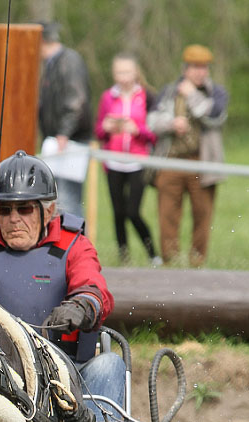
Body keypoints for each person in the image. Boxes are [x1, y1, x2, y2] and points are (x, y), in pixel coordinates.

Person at [0, 151, 125, 420]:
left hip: (67, 372)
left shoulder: (73, 245)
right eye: (5, 210)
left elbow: (94, 289)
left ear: (49, 211)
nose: (14, 219)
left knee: (110, 364)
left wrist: (80, 307)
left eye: (25, 209)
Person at [147, 45, 228, 267]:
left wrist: (192, 95)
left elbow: (214, 117)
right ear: (185, 69)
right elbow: (151, 121)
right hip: (170, 161)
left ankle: (197, 262)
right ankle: (170, 261)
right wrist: (171, 124)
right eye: (195, 67)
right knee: (167, 215)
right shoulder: (169, 91)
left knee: (202, 215)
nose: (200, 72)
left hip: (202, 164)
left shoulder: (216, 93)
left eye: (204, 67)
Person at [95, 53, 161, 266]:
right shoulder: (108, 97)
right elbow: (98, 131)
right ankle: (124, 257)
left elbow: (154, 133)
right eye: (119, 72)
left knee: (133, 211)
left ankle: (153, 254)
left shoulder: (147, 96)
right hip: (112, 160)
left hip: (137, 161)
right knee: (118, 212)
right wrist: (106, 128)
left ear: (136, 72)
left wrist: (137, 131)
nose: (123, 77)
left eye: (127, 72)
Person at [38, 21, 92, 217]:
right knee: (58, 200)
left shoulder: (68, 61)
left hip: (69, 143)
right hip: (59, 140)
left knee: (68, 202)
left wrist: (64, 132)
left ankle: (75, 247)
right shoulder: (53, 63)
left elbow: (76, 99)